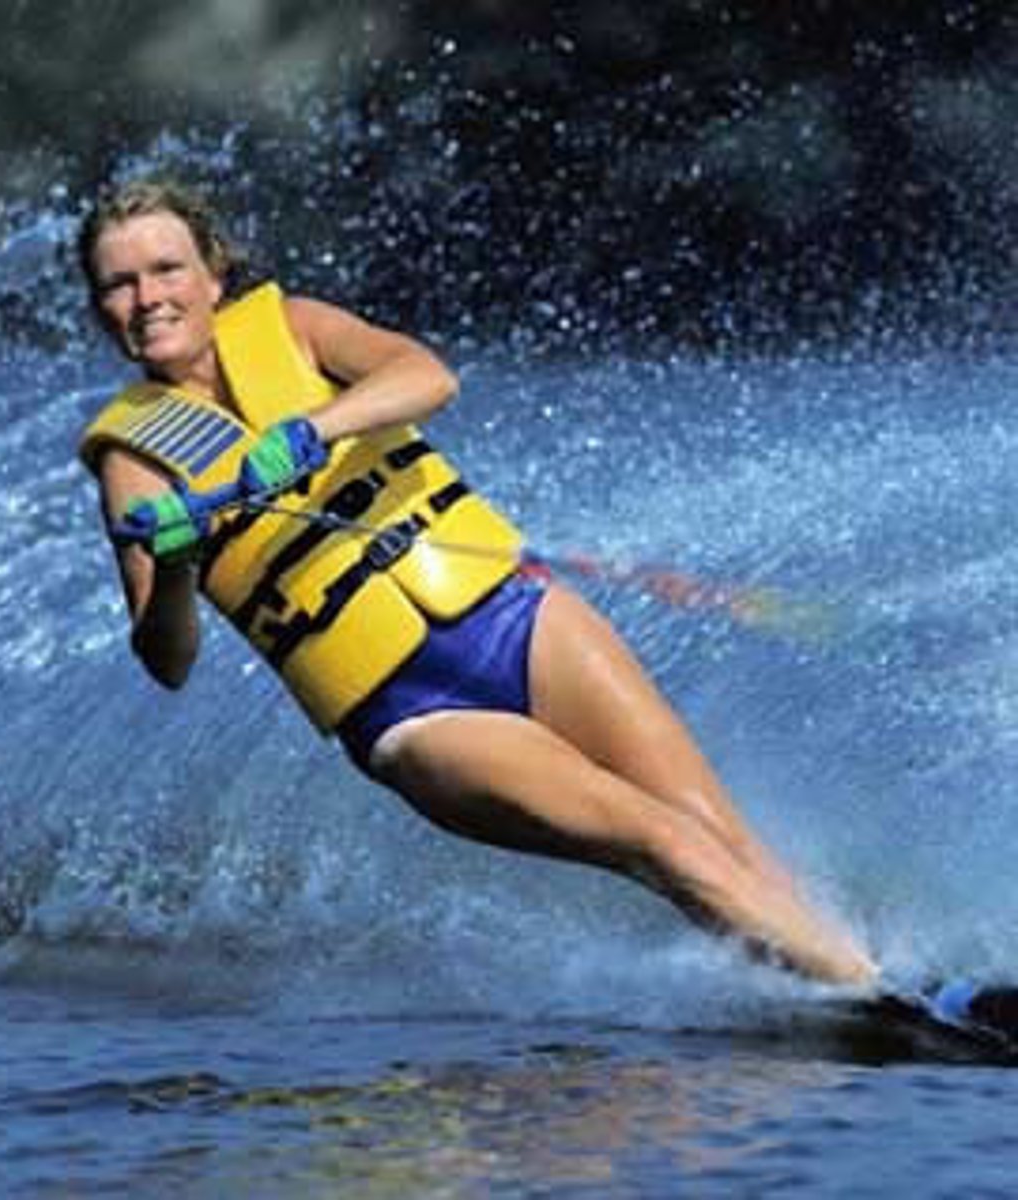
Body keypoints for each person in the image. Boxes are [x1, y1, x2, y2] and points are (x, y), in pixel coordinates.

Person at [75, 175, 878, 988]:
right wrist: (174, 565)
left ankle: (868, 983)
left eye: (167, 270)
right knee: (660, 843)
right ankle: (876, 994)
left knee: (720, 836)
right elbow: (166, 657)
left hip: (515, 614)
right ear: (100, 306)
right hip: (412, 712)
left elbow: (426, 377)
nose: (148, 297)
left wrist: (314, 427)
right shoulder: (133, 462)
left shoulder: (295, 326)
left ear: (213, 275)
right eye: (120, 283)